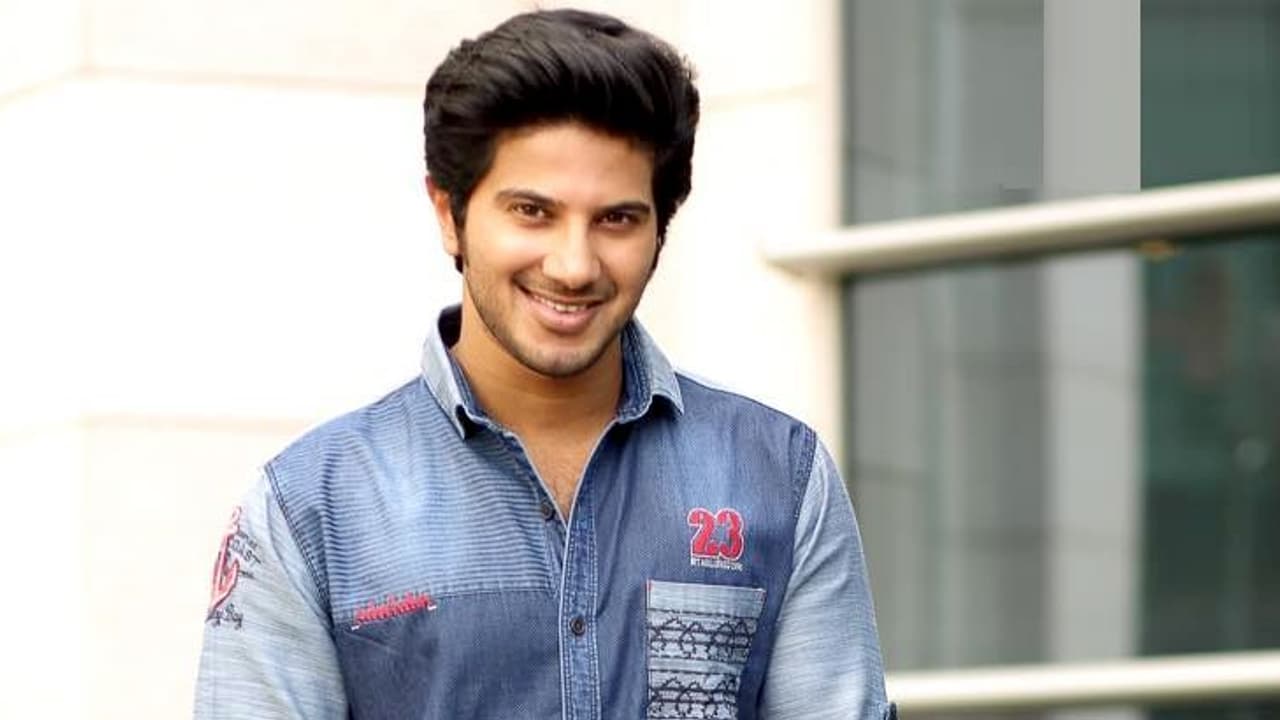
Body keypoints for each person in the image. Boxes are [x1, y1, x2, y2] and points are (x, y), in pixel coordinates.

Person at [194, 8, 894, 719]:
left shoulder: (777, 476)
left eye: (616, 219)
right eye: (532, 211)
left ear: (660, 230)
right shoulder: (313, 507)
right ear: (449, 213)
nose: (573, 265)